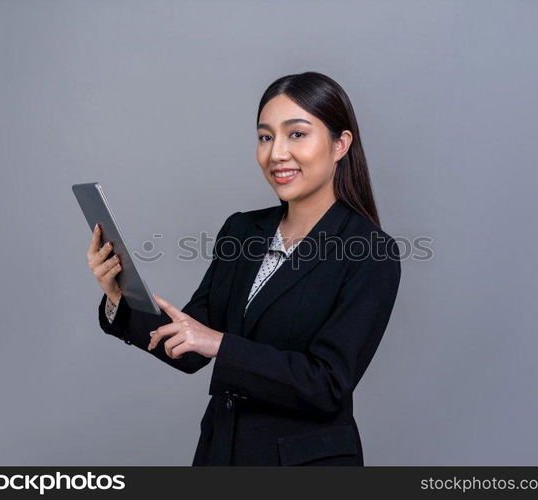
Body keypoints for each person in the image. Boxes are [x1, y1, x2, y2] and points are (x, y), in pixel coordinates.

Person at [86, 71, 402, 466]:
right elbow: (189, 346)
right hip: (222, 455)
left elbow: (327, 385)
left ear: (340, 144)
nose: (276, 154)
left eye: (297, 134)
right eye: (265, 137)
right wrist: (120, 296)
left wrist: (221, 344)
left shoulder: (370, 251)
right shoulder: (242, 231)